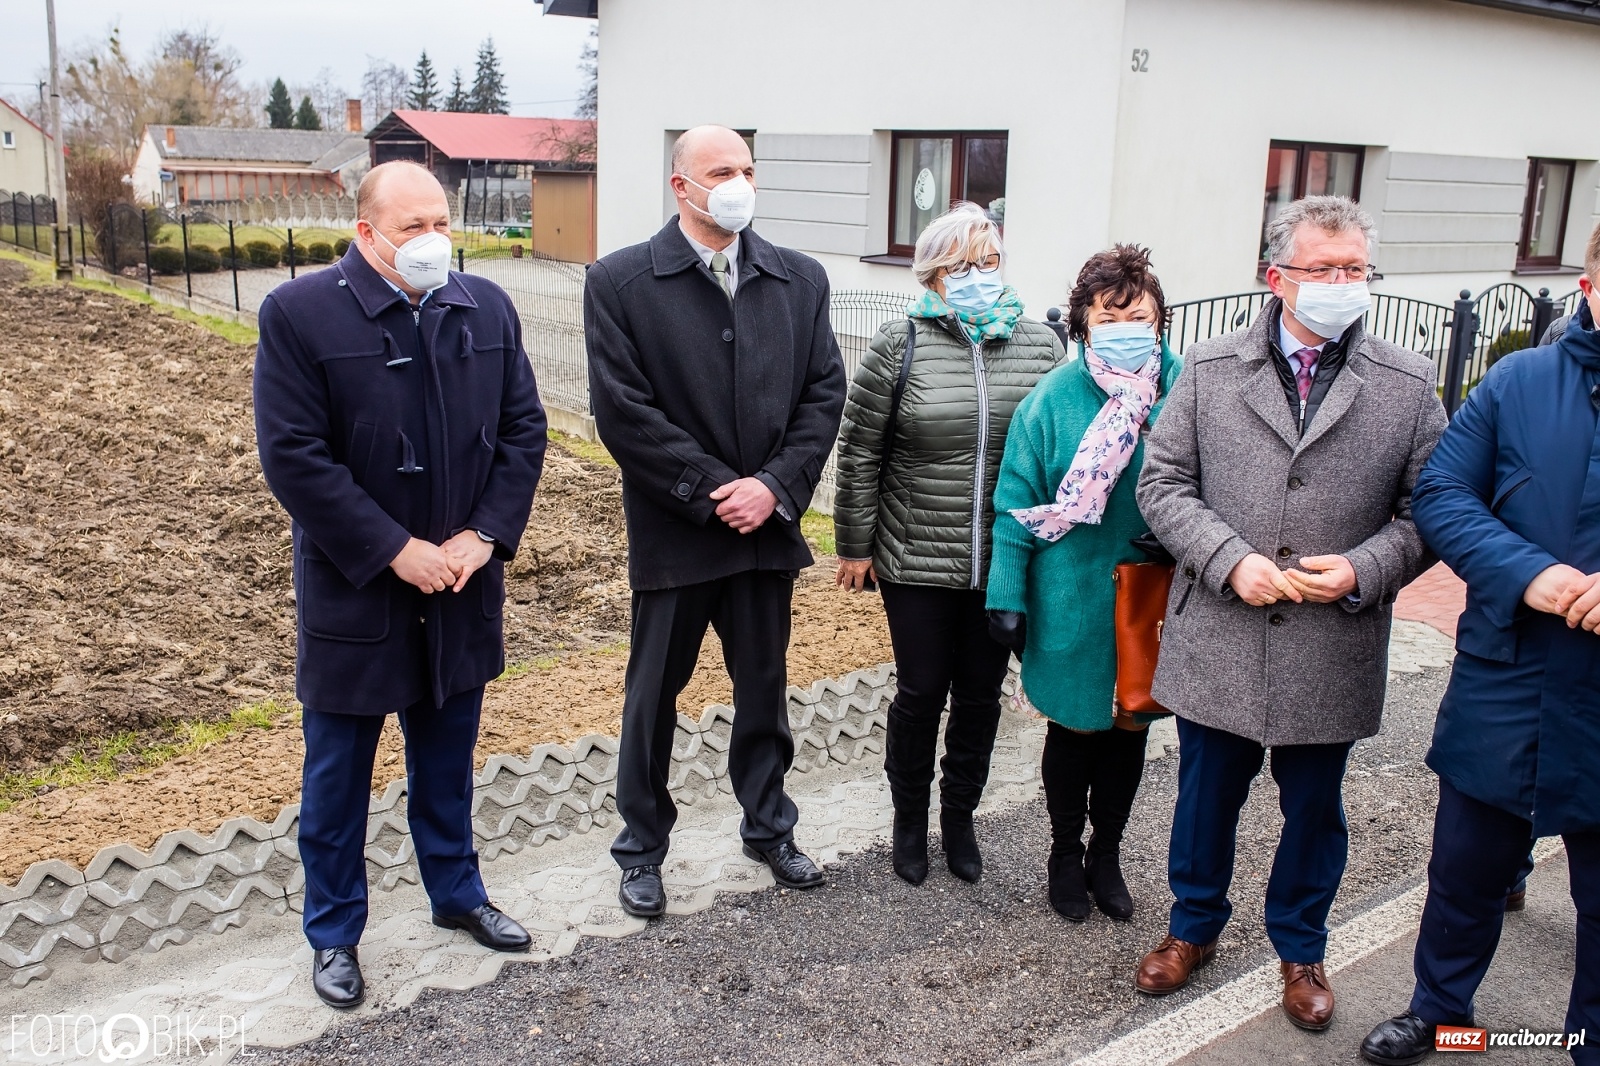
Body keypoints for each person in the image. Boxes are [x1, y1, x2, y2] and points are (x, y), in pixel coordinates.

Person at [1133, 196, 1447, 1031]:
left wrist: (1364, 567)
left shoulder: (1410, 384)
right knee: (1205, 797)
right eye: (1323, 269)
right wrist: (1230, 559)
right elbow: (1161, 486)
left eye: (1355, 270)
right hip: (1223, 632)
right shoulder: (1206, 369)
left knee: (1315, 806)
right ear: (1278, 278)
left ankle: (1301, 947)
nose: (1343, 284)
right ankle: (1191, 927)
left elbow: (1432, 511)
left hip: (1332, 635)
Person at [254, 160, 548, 1008]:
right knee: (338, 774)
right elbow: (294, 458)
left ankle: (457, 896)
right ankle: (335, 933)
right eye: (411, 227)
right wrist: (394, 549)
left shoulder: (483, 307)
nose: (431, 241)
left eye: (440, 223)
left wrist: (484, 536)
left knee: (448, 757)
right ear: (366, 233)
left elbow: (524, 429)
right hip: (359, 590)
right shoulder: (299, 314)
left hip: (461, 583)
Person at [583, 125, 846, 918]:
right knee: (651, 697)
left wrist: (772, 486)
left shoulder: (798, 279)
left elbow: (822, 395)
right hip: (675, 536)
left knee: (764, 691)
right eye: (720, 170)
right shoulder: (622, 281)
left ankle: (769, 829)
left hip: (765, 534)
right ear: (681, 187)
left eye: (747, 169)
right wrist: (709, 489)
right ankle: (641, 848)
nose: (738, 182)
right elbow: (622, 414)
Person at [1360, 222, 1600, 1066]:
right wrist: (1527, 574)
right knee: (1466, 866)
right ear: (1589, 289)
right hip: (1512, 666)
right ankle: (1439, 1011)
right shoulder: (1520, 381)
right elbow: (1445, 496)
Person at [832, 202, 1063, 886]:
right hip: (914, 558)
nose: (979, 276)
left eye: (988, 262)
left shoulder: (1042, 346)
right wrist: (854, 543)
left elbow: (1058, 450)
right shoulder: (897, 346)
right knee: (921, 691)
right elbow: (859, 452)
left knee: (981, 696)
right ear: (932, 275)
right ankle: (908, 819)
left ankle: (958, 817)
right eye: (963, 265)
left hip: (1004, 560)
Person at [986, 245, 1180, 921]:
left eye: (1139, 314)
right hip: (1070, 594)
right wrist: (1005, 595)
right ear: (1084, 323)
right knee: (1073, 733)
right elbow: (1015, 501)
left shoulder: (1186, 390)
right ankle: (1065, 853)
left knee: (1132, 728)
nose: (1126, 326)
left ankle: (1108, 854)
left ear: (1159, 321)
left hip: (1152, 598)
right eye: (1110, 314)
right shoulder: (1052, 400)